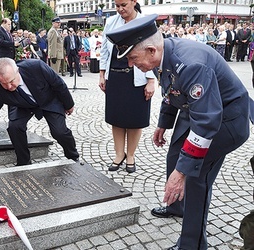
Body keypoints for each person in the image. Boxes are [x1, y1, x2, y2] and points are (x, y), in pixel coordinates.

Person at [106, 14, 254, 249]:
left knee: (195, 175)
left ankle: (192, 244)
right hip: (202, 111)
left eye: (133, 58)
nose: (131, 65)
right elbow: (172, 89)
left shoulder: (191, 64)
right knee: (176, 154)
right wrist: (164, 123)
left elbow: (206, 123)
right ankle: (176, 205)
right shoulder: (161, 56)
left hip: (227, 120)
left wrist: (183, 173)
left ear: (151, 50)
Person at [0, 58, 79, 167]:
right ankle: (23, 163)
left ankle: (73, 156)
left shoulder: (36, 67)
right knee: (14, 127)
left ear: (17, 71)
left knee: (59, 131)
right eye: (4, 83)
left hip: (48, 100)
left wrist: (69, 105)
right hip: (21, 104)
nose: (8, 86)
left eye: (11, 81)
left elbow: (59, 84)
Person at [98, 0, 156, 173]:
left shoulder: (146, 22)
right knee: (116, 118)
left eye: (123, 4)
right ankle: (119, 154)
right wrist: (102, 74)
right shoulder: (111, 22)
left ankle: (130, 155)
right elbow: (105, 51)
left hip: (137, 76)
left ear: (134, 2)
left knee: (134, 119)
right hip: (115, 76)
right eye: (117, 6)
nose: (120, 9)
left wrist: (151, 80)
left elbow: (154, 52)